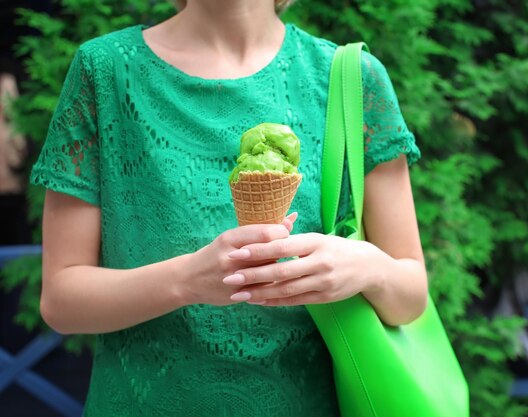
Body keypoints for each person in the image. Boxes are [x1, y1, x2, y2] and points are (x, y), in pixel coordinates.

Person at [30, 0, 427, 415]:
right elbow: (62, 300)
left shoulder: (351, 80)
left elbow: (410, 295)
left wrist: (367, 268)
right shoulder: (105, 70)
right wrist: (187, 280)